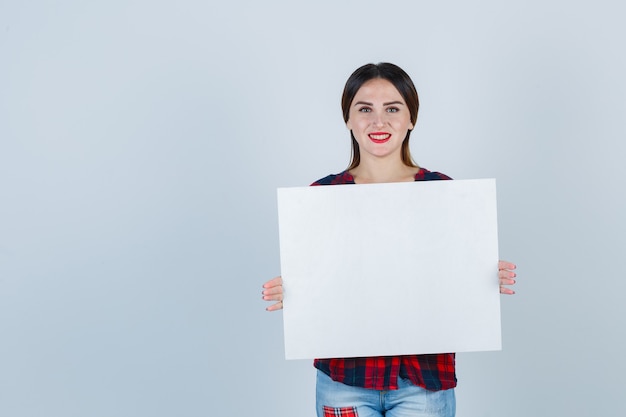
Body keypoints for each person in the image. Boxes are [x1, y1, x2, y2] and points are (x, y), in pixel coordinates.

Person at [262, 62, 517, 417]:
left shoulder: (443, 192)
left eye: (392, 109)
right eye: (364, 109)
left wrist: (484, 277)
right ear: (348, 119)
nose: (378, 122)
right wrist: (292, 291)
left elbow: (452, 276)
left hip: (423, 381)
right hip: (343, 382)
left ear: (411, 118)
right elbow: (321, 282)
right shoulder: (321, 196)